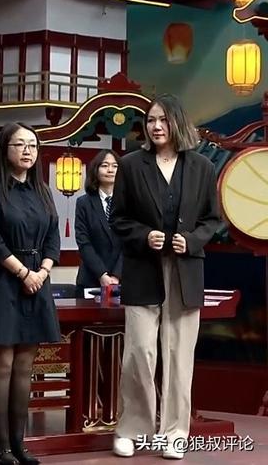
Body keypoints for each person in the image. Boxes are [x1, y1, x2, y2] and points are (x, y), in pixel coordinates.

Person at [110, 94, 219, 460]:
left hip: (186, 270)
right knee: (139, 351)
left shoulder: (202, 166)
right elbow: (118, 219)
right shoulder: (130, 165)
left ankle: (174, 433)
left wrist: (192, 240)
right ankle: (133, 430)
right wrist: (144, 235)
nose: (156, 127)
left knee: (178, 355)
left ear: (177, 123)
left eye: (163, 120)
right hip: (143, 267)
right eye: (151, 120)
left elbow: (212, 220)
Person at [0, 122, 61, 465]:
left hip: (37, 280)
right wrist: (23, 273)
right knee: (3, 364)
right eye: (20, 144)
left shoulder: (42, 191)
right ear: (4, 149)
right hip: (3, 281)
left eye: (33, 145)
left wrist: (43, 272)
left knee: (25, 365)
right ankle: (2, 446)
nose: (27, 151)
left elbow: (53, 237)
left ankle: (21, 444)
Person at [74, 149, 122, 297]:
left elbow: (130, 242)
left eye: (115, 166)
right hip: (90, 277)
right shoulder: (83, 203)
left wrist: (116, 275)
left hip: (122, 278)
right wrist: (102, 274)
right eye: (105, 165)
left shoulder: (128, 202)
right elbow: (83, 242)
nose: (110, 170)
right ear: (96, 169)